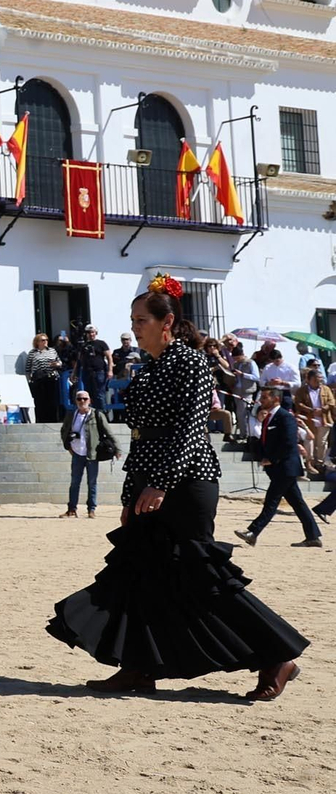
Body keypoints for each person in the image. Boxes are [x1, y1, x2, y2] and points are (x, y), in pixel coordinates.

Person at [47, 275, 307, 701]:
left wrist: (162, 485)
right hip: (151, 479)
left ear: (167, 321)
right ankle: (138, 667)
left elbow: (189, 430)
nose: (135, 327)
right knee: (141, 574)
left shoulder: (191, 362)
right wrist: (133, 493)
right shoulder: (148, 367)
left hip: (186, 483)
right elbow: (141, 436)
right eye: (132, 320)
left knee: (200, 578)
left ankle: (277, 657)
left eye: (142, 319)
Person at [235, 390, 323, 549]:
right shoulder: (269, 417)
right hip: (278, 468)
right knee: (298, 503)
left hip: (285, 467)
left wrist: (272, 458)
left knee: (271, 501)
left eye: (264, 397)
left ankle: (253, 532)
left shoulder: (285, 417)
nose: (261, 400)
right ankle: (313, 536)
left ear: (276, 399)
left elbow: (289, 442)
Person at [59, 389, 119, 519]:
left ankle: (91, 509)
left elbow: (109, 432)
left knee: (92, 483)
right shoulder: (71, 415)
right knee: (75, 482)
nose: (82, 401)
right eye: (79, 399)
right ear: (75, 401)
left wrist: (117, 449)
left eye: (85, 399)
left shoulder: (96, 414)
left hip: (92, 454)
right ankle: (71, 509)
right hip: (77, 453)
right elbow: (64, 430)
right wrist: (67, 445)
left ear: (89, 400)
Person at [293, 366, 335, 476]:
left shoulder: (326, 389)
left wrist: (322, 409)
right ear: (309, 379)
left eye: (320, 379)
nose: (318, 382)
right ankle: (309, 463)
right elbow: (298, 403)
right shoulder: (302, 391)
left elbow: (331, 402)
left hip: (324, 420)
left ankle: (320, 463)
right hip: (308, 420)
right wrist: (310, 410)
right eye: (316, 379)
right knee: (311, 442)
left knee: (322, 443)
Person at [25, 333, 63, 423]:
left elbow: (59, 362)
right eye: (43, 340)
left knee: (52, 399)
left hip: (51, 376)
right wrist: (29, 380)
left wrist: (57, 364)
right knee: (39, 400)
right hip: (38, 377)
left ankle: (52, 419)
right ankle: (40, 419)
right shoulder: (33, 353)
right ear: (37, 342)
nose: (45, 341)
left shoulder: (52, 350)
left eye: (46, 340)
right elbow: (28, 368)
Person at [76, 324, 113, 411]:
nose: (91, 334)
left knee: (99, 394)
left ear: (96, 333)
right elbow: (79, 360)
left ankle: (102, 415)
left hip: (99, 372)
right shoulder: (83, 346)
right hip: (87, 372)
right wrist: (75, 372)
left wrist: (110, 370)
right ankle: (91, 414)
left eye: (92, 332)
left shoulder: (101, 343)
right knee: (88, 394)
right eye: (88, 332)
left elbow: (109, 357)